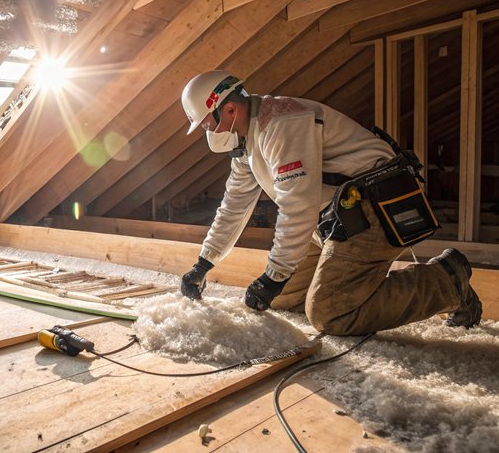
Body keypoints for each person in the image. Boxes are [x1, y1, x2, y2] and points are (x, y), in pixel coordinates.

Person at [178, 71, 482, 335]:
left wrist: (273, 275)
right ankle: (346, 284)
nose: (208, 132)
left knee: (330, 313)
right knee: (285, 298)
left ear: (229, 109)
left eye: (206, 124)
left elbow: (297, 207)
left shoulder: (281, 123)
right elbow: (233, 205)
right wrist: (203, 264)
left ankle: (447, 280)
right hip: (335, 215)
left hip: (373, 206)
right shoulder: (246, 142)